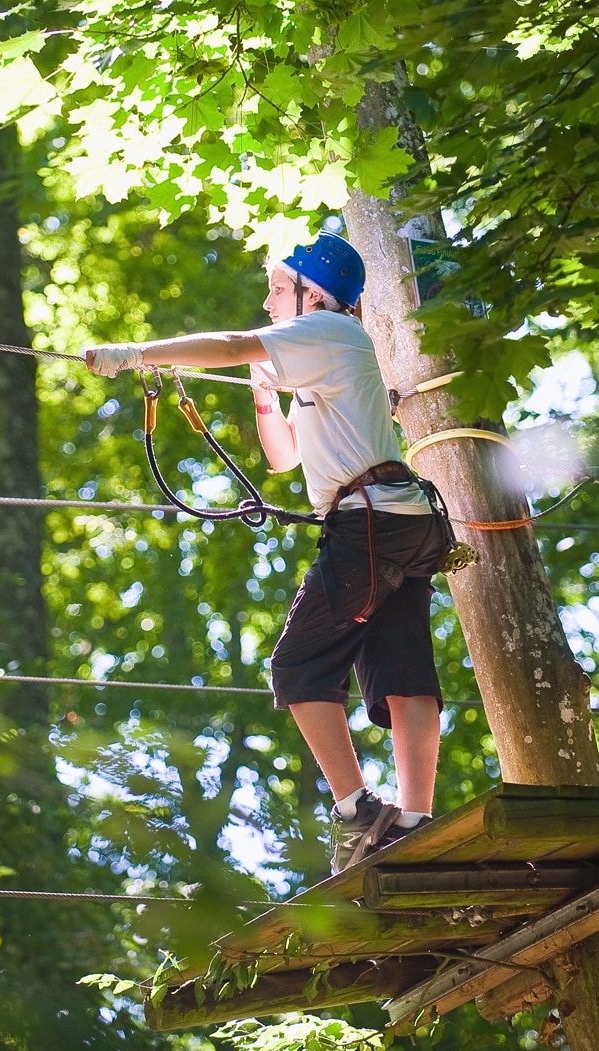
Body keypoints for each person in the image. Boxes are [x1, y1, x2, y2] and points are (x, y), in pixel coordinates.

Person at [85, 232, 449, 874]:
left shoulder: (328, 331)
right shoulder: (329, 348)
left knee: (299, 668)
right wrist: (264, 391)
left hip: (365, 524)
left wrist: (135, 353)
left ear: (315, 295)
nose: (268, 299)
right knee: (402, 671)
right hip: (403, 523)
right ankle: (415, 819)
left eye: (279, 288)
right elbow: (284, 459)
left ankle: (357, 811)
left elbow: (229, 344)